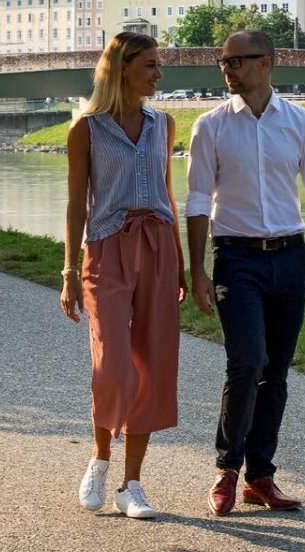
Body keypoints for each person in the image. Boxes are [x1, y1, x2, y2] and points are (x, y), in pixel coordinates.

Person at [186, 31, 305, 516]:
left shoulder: (302, 123)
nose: (228, 69)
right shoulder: (210, 126)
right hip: (236, 258)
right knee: (247, 363)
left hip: (291, 258)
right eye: (224, 62)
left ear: (267, 64)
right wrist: (197, 270)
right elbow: (195, 201)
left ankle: (260, 474)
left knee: (275, 371)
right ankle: (226, 468)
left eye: (237, 60)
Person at [61, 31, 184, 520]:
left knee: (152, 365)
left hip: (157, 247)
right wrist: (69, 269)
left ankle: (132, 484)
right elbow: (76, 205)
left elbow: (169, 194)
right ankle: (99, 458)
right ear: (123, 68)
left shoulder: (165, 124)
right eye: (151, 65)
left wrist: (177, 259)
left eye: (159, 65)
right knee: (111, 364)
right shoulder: (85, 130)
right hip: (106, 249)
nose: (158, 74)